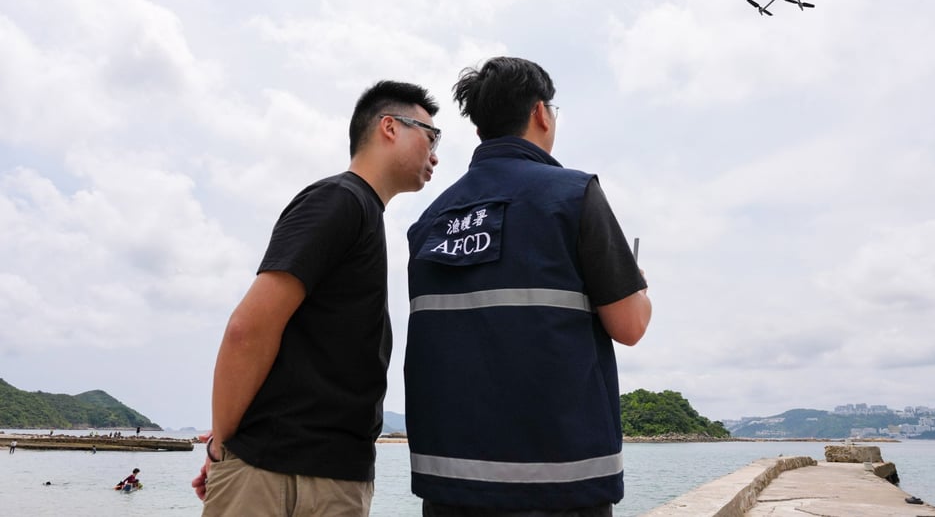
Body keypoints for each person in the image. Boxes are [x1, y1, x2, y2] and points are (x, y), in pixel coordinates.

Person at [404, 56, 652, 516]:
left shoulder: (428, 223)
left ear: (480, 129)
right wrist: (634, 283)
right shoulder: (573, 195)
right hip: (560, 487)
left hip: (451, 488)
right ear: (541, 112)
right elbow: (630, 325)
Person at [191, 81, 441, 517]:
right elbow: (247, 330)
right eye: (431, 135)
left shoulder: (362, 212)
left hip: (329, 473)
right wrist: (221, 450)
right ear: (389, 127)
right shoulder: (338, 200)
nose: (436, 153)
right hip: (278, 474)